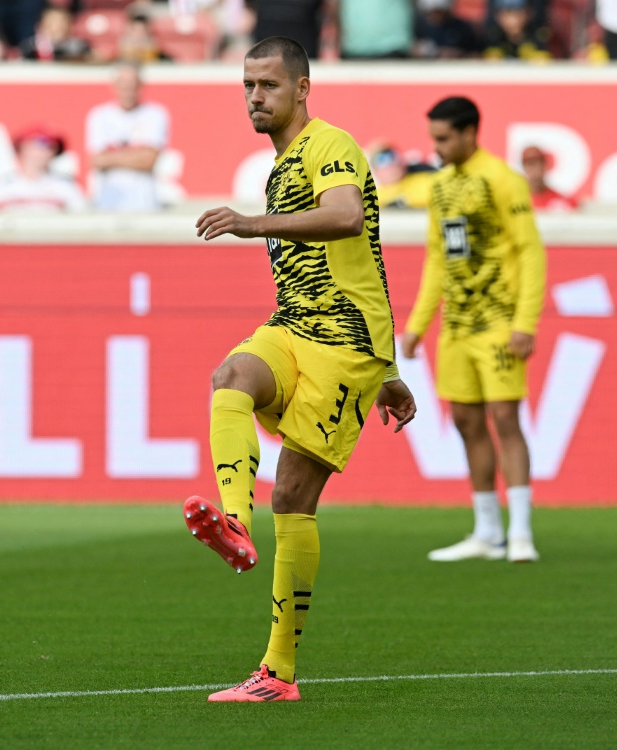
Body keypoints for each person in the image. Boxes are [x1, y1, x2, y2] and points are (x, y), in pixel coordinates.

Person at [185, 36, 416, 702]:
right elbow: (367, 261)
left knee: (294, 499)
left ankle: (278, 674)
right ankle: (234, 520)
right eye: (248, 86)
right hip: (294, 326)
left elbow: (347, 219)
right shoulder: (281, 164)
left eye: (269, 85)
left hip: (344, 344)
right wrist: (394, 373)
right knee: (230, 377)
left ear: (302, 89)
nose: (256, 97)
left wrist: (253, 225)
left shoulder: (329, 144)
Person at [402, 96, 546, 564]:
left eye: (444, 138)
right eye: (434, 138)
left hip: (500, 324)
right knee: (466, 422)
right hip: (457, 328)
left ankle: (521, 532)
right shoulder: (440, 187)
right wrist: (418, 325)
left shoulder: (503, 180)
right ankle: (488, 532)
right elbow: (437, 260)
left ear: (469, 134)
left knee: (505, 419)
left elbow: (530, 252)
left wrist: (525, 322)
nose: (437, 148)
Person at [84, 62, 170, 212]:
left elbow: (148, 161)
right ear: (114, 85)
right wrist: (137, 154)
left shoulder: (155, 114)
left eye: (132, 85)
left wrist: (112, 155)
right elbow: (97, 160)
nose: (128, 90)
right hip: (107, 203)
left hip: (145, 203)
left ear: (141, 86)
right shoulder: (99, 115)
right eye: (123, 84)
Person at [0, 126, 86, 213]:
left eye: (53, 146)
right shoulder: (2, 185)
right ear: (23, 146)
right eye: (42, 142)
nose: (48, 150)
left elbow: (82, 219)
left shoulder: (65, 186)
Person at [482, 0, 552, 61]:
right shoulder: (491, 38)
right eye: (507, 13)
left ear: (528, 14)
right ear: (497, 16)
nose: (512, 20)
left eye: (517, 13)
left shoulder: (538, 38)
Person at [18, 4, 91, 62]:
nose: (57, 27)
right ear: (41, 25)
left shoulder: (80, 47)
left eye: (62, 22)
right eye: (52, 22)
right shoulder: (29, 47)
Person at [412, 0, 482, 60]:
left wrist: (458, 54)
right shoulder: (422, 27)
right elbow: (413, 50)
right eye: (431, 12)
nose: (435, 15)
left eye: (438, 12)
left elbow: (477, 53)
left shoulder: (462, 28)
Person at [522, 145, 576, 212]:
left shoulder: (560, 202)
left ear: (544, 165)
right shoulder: (518, 200)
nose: (535, 168)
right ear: (524, 168)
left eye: (539, 163)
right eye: (530, 164)